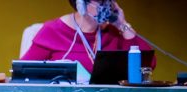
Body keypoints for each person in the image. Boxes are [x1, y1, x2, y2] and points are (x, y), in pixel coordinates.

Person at [21, 0, 155, 73]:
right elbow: (22, 72)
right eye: (100, 1)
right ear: (80, 4)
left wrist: (123, 25)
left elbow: (148, 64)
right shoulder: (53, 31)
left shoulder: (113, 34)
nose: (106, 6)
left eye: (109, 1)